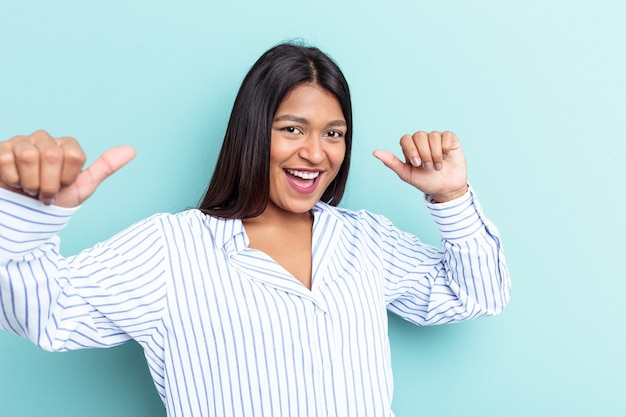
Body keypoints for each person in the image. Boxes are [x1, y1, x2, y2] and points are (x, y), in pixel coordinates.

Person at [0, 43, 511, 416]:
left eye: (334, 134)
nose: (316, 153)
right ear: (252, 131)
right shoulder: (171, 248)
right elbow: (47, 315)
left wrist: (450, 198)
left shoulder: (366, 240)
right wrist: (27, 218)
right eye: (292, 129)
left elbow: (476, 295)